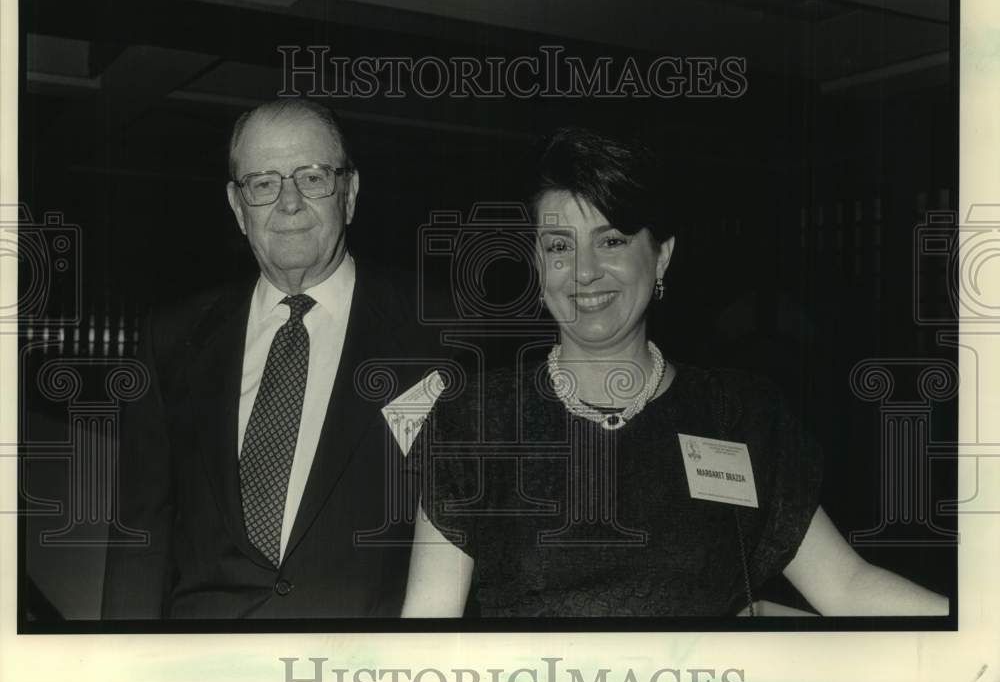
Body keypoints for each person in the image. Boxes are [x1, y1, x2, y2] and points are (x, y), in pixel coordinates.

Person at [401, 126, 949, 618]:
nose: (585, 272)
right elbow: (427, 627)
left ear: (661, 256)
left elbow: (847, 587)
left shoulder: (737, 415)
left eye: (612, 240)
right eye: (559, 246)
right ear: (538, 262)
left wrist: (976, 628)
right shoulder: (472, 422)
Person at [103, 98, 439, 618]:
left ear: (348, 193)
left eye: (312, 177)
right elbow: (140, 537)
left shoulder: (439, 336)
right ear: (239, 208)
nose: (289, 203)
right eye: (264, 183)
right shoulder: (171, 339)